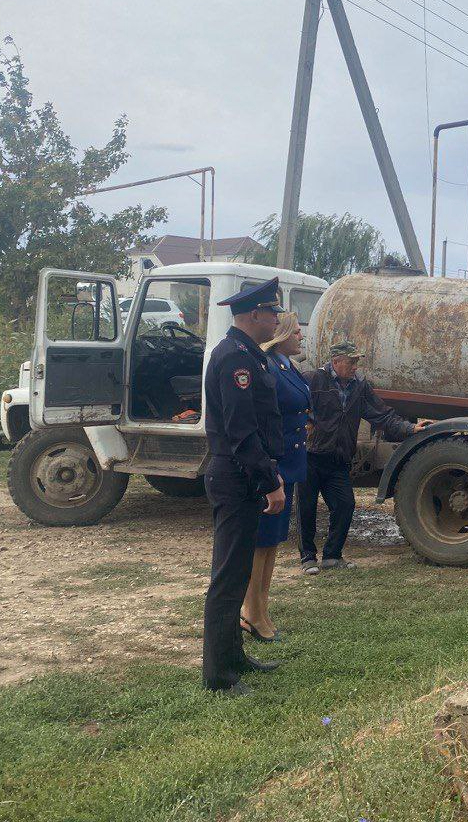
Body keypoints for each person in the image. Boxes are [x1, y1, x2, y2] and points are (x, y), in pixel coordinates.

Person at [201, 277, 286, 696]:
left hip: (242, 474)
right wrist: (269, 481)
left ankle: (234, 658)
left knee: (237, 574)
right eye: (273, 313)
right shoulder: (236, 359)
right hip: (236, 475)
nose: (277, 320)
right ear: (255, 315)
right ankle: (219, 677)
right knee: (229, 577)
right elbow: (241, 431)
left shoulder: (246, 354)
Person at [298, 340, 425, 572]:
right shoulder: (314, 379)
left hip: (339, 458)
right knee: (306, 507)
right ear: (335, 362)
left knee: (345, 505)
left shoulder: (359, 386)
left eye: (357, 361)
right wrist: (305, 423)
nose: (355, 366)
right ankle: (307, 558)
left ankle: (332, 557)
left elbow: (383, 416)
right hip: (311, 455)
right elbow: (295, 406)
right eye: (351, 361)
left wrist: (409, 428)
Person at [241, 311, 311, 642]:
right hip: (275, 465)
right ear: (281, 334)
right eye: (296, 332)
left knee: (272, 543)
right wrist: (270, 469)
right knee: (261, 542)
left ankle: (260, 608)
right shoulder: (268, 365)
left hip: (290, 463)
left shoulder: (286, 365)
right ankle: (251, 611)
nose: (301, 337)